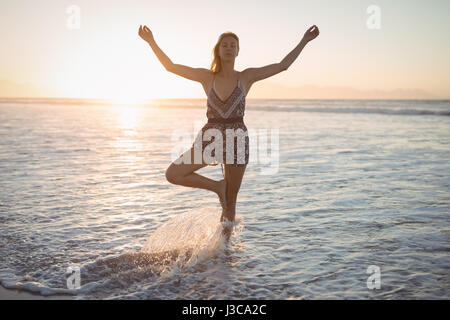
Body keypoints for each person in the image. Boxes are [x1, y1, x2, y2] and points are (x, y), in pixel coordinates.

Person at [138, 24, 319, 240]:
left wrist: (304, 41)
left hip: (237, 140)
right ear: (219, 49)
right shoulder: (207, 77)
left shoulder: (247, 77)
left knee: (231, 202)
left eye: (233, 45)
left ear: (238, 51)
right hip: (211, 137)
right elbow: (171, 66)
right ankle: (217, 187)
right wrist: (151, 42)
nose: (229, 48)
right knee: (174, 173)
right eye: (225, 45)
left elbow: (282, 65)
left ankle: (223, 252)